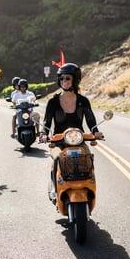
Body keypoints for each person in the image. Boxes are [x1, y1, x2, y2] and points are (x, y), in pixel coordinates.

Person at [39, 63, 103, 200]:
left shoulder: (83, 101)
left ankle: (89, 188)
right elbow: (47, 121)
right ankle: (54, 188)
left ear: (75, 79)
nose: (64, 81)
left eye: (67, 78)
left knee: (87, 160)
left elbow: (90, 119)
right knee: (56, 158)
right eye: (61, 79)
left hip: (79, 141)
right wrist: (43, 134)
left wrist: (95, 132)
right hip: (59, 142)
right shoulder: (53, 102)